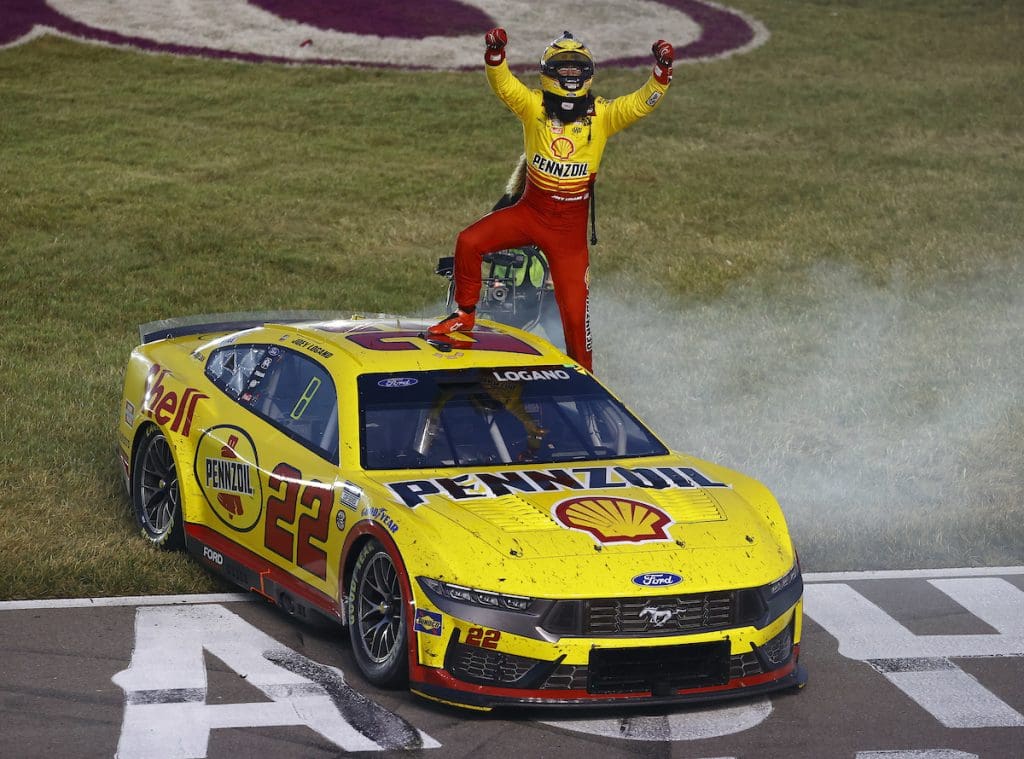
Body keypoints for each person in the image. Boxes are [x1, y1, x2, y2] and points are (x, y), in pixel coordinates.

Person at [428, 28, 675, 372]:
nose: (570, 74)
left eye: (576, 67)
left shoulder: (601, 116)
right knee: (468, 242)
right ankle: (464, 314)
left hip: (569, 240)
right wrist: (495, 54)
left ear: (586, 75)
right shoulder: (534, 107)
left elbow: (639, 104)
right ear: (549, 73)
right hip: (531, 214)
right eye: (564, 67)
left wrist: (662, 74)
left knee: (576, 325)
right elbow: (503, 85)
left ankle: (585, 383)